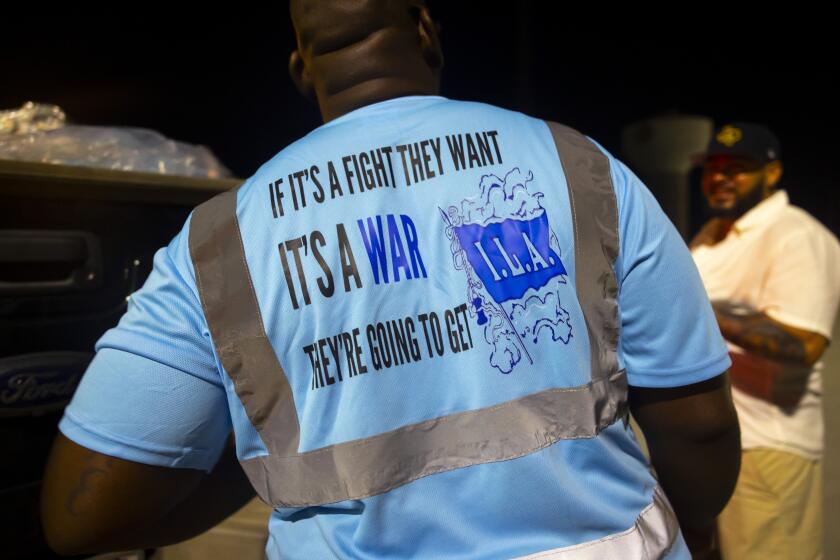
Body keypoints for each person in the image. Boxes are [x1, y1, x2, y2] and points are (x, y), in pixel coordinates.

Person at [41, 2, 740, 558]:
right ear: (427, 29)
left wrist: (273, 455)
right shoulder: (578, 168)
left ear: (300, 69)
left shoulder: (222, 239)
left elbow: (82, 514)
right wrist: (698, 527)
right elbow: (700, 425)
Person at [690, 122, 840, 559]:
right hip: (708, 444)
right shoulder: (711, 237)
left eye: (737, 168)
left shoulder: (796, 236)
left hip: (766, 449)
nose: (720, 177)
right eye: (713, 167)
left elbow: (804, 344)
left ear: (771, 175)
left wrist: (699, 315)